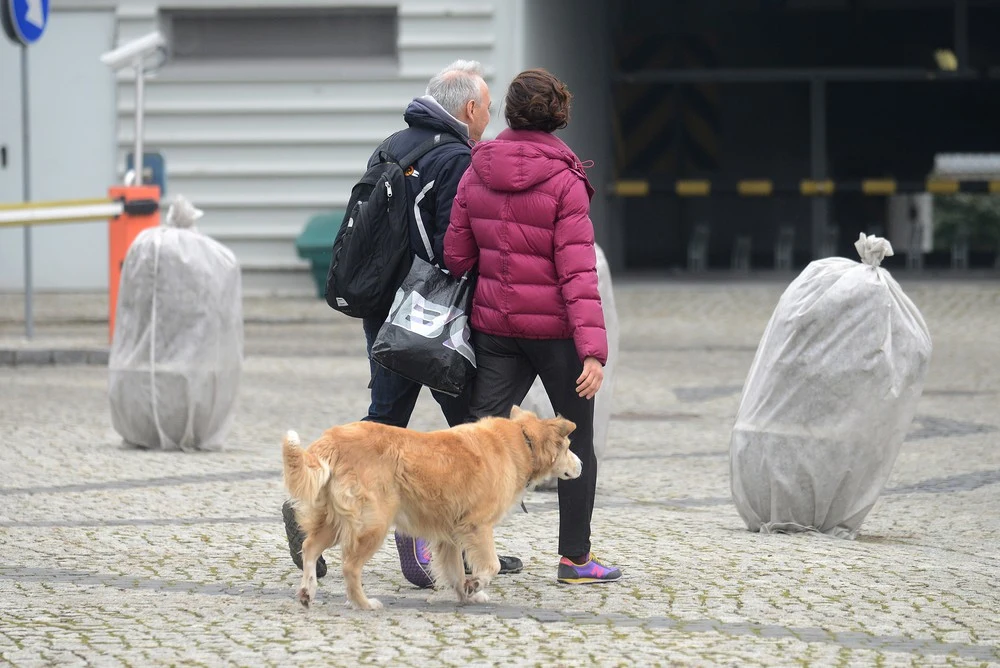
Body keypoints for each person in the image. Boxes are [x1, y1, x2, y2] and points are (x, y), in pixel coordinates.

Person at [282, 60, 523, 588]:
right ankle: (448, 542)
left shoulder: (395, 143)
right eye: (486, 105)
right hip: (426, 313)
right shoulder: (456, 156)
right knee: (464, 426)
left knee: (393, 413)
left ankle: (448, 540)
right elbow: (447, 245)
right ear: (468, 108)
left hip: (382, 307)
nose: (489, 114)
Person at [443, 68, 623, 584]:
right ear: (558, 115)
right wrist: (593, 351)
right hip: (557, 336)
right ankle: (574, 560)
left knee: (476, 438)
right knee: (575, 441)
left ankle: (457, 545)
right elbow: (577, 271)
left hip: (496, 328)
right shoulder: (566, 181)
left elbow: (457, 256)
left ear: (508, 112)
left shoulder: (476, 171)